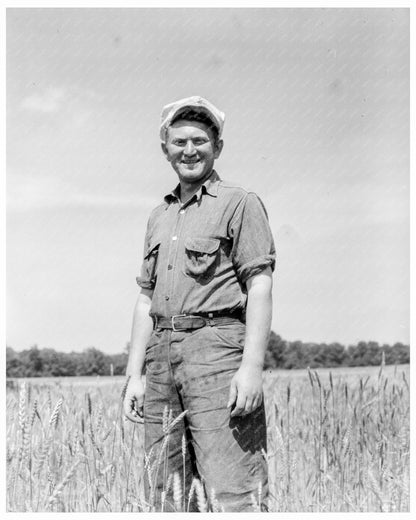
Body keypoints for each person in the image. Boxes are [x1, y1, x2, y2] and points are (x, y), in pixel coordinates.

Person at [123, 96, 276, 512]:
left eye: (200, 141)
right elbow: (145, 298)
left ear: (217, 147)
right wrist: (134, 374)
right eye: (179, 142)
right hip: (161, 358)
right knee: (167, 494)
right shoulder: (158, 216)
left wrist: (251, 368)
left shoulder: (239, 202)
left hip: (217, 354)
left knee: (235, 490)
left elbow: (259, 284)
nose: (189, 150)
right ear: (165, 150)